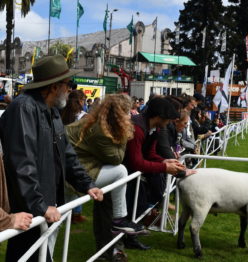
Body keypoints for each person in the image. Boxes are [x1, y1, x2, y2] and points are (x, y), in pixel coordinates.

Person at [0, 55, 103, 262]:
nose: (70, 89)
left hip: (42, 201)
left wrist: (86, 184)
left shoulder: (52, 111)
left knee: (30, 254)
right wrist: (39, 205)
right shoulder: (24, 108)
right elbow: (22, 163)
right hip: (29, 204)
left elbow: (67, 154)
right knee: (29, 253)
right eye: (68, 84)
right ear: (54, 87)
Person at [66, 94, 145, 261]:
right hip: (72, 174)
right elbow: (116, 158)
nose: (131, 115)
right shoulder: (100, 130)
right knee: (120, 171)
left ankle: (118, 221)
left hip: (71, 169)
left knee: (56, 222)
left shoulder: (100, 124)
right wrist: (126, 133)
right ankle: (119, 219)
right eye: (127, 112)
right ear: (118, 115)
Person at [124, 96, 196, 250]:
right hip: (126, 173)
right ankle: (121, 242)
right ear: (159, 117)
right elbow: (135, 162)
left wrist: (164, 161)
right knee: (131, 207)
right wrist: (164, 167)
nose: (169, 122)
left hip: (135, 174)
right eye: (168, 119)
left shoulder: (155, 128)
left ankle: (130, 239)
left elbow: (149, 154)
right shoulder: (137, 129)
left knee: (139, 205)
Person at [61, 90, 88, 224]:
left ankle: (67, 212)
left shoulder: (63, 113)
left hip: (62, 151)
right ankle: (75, 213)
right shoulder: (84, 117)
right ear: (80, 101)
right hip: (77, 152)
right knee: (77, 181)